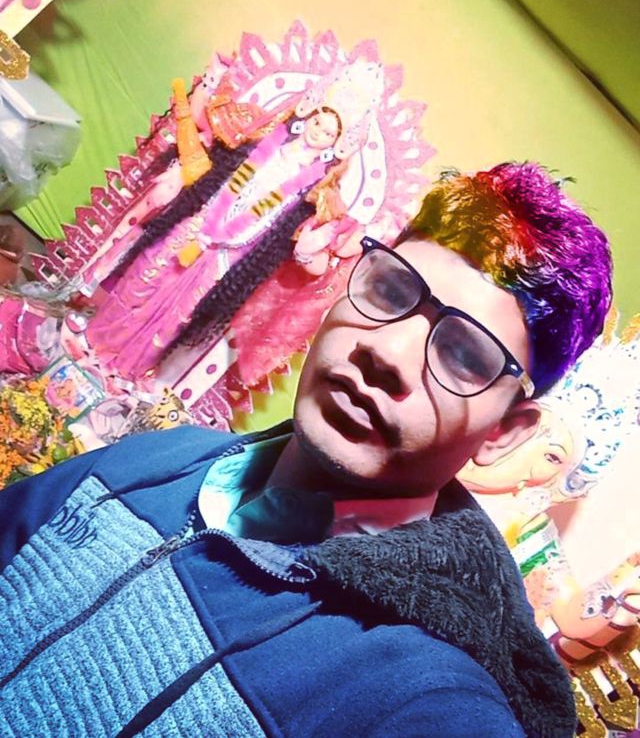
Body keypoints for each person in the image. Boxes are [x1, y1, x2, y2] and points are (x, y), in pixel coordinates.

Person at [0, 161, 612, 737]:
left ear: (503, 432)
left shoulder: (426, 703)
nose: (386, 351)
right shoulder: (154, 461)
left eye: (464, 355)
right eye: (391, 290)